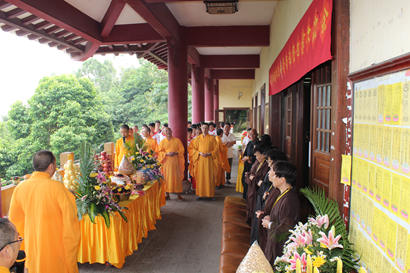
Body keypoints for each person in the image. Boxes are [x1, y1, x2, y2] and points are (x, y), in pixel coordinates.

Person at [9, 150, 80, 273]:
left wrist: (25, 246)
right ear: (51, 166)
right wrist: (71, 250)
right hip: (56, 249)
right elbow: (71, 224)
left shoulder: (20, 188)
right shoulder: (58, 188)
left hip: (33, 248)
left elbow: (15, 222)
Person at [262, 161, 300, 265]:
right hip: (274, 242)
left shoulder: (289, 200)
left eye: (273, 174)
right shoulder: (283, 194)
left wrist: (269, 224)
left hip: (279, 248)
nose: (270, 175)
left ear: (282, 179)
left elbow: (286, 229)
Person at [189, 122, 218, 199]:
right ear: (201, 129)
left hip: (209, 160)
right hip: (200, 160)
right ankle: (200, 194)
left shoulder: (212, 138)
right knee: (201, 177)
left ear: (208, 129)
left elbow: (216, 149)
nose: (204, 129)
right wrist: (199, 153)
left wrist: (210, 153)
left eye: (206, 128)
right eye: (203, 128)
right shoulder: (197, 139)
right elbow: (192, 149)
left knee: (209, 177)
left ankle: (210, 195)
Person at [245, 145, 270, 229]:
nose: (256, 157)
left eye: (257, 155)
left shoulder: (266, 165)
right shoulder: (257, 162)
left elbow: (262, 181)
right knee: (250, 208)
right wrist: (250, 176)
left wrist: (254, 178)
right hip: (251, 189)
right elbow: (250, 173)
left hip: (257, 192)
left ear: (263, 155)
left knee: (255, 210)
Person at [158, 127, 185, 200]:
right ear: (164, 133)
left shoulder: (177, 140)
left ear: (171, 131)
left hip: (175, 162)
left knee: (177, 177)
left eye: (169, 131)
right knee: (167, 178)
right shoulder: (162, 142)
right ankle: (167, 194)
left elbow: (182, 150)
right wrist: (166, 153)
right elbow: (159, 152)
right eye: (166, 131)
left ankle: (178, 194)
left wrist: (176, 152)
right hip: (167, 162)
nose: (168, 132)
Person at [242, 128, 259, 199]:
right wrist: (246, 158)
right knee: (244, 180)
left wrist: (250, 158)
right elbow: (245, 154)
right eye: (250, 134)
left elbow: (259, 156)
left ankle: (249, 199)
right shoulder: (249, 143)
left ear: (256, 135)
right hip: (247, 166)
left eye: (253, 134)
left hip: (254, 166)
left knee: (251, 183)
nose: (251, 136)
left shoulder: (258, 144)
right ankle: (245, 198)